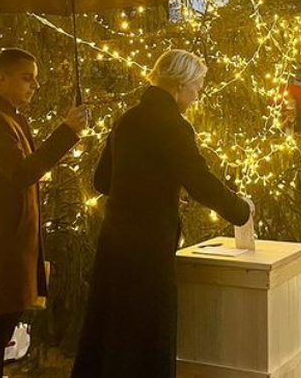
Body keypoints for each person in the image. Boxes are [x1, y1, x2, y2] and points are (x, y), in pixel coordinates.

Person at [71, 49, 254, 378]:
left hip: (114, 242)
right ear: (179, 85)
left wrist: (154, 186)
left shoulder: (127, 119)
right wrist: (241, 210)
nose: (197, 96)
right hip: (149, 247)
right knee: (149, 334)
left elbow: (102, 181)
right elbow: (200, 181)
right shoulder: (173, 125)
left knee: (112, 329)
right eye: (197, 87)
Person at [0, 48, 88, 378]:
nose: (34, 86)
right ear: (0, 78)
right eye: (26, 78)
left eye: (36, 79)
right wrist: (68, 131)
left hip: (8, 248)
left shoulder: (8, 117)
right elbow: (21, 173)